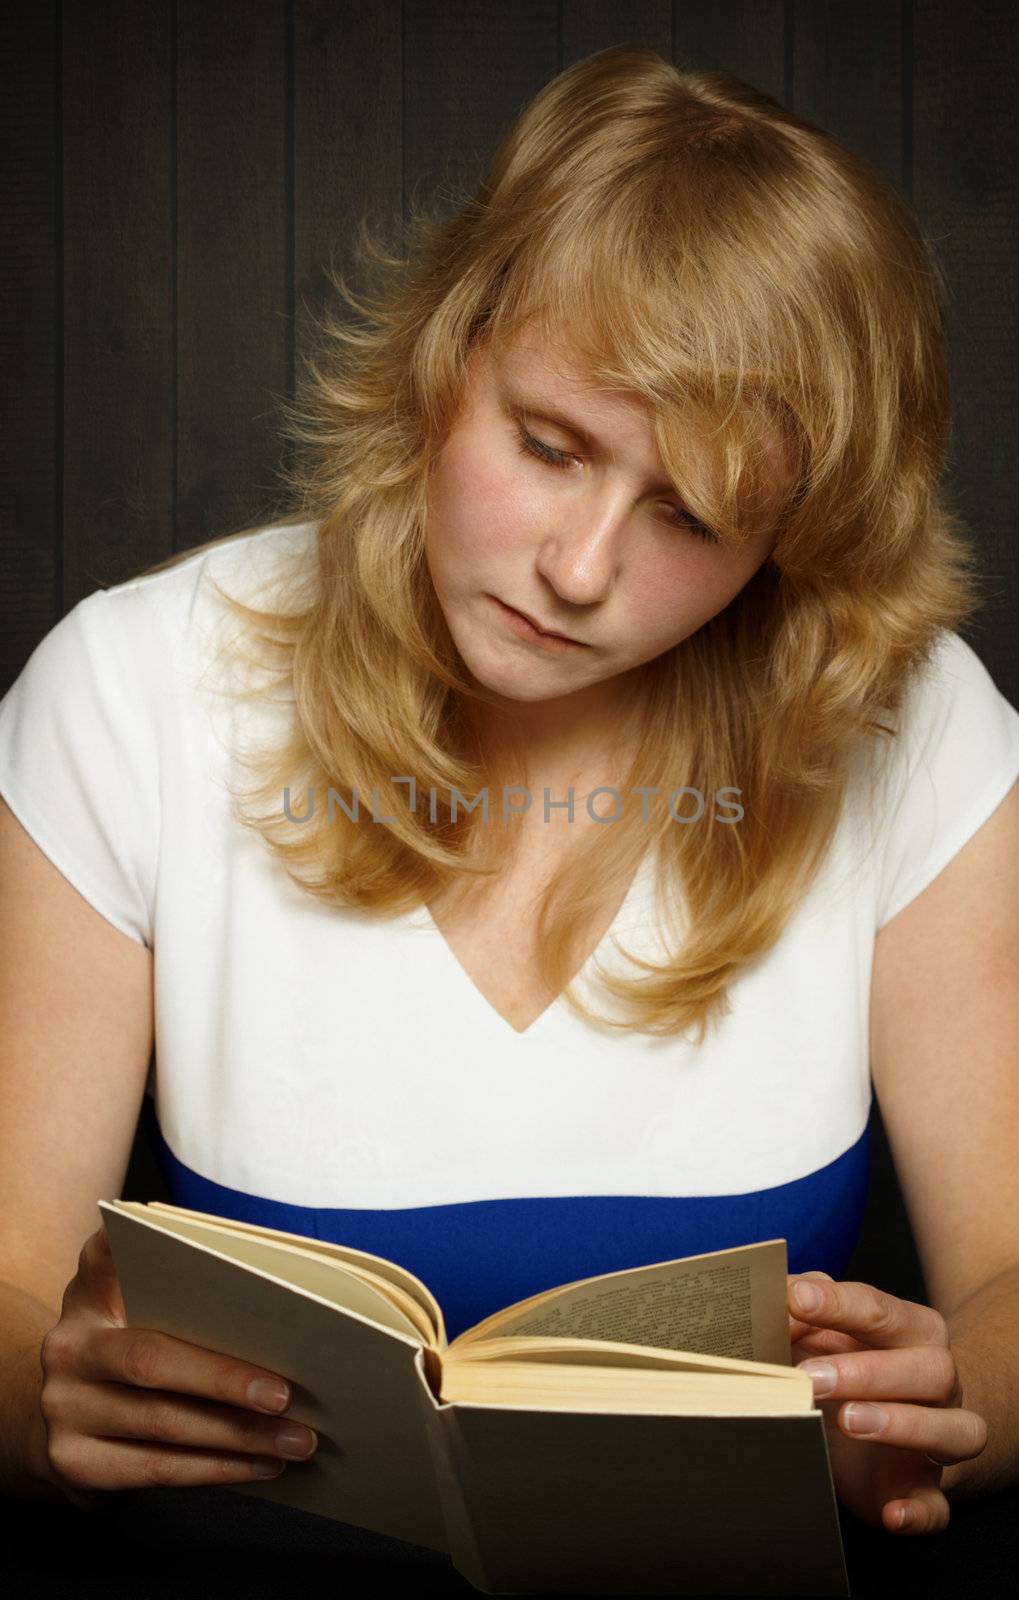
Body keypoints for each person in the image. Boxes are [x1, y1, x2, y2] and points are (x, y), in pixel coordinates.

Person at [0, 45, 1017, 1543]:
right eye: (551, 447)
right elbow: (14, 1288)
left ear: (789, 541)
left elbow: (1006, 1293)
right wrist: (36, 1402)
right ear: (446, 353)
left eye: (693, 515)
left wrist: (943, 1420)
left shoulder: (915, 730)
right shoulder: (128, 691)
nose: (583, 569)